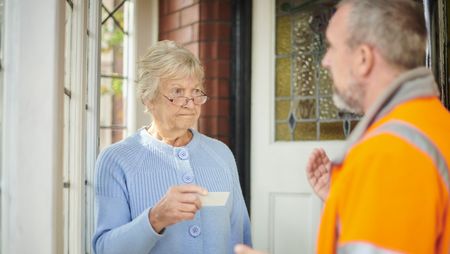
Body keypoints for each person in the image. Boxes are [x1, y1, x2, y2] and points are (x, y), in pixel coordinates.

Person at [235, 0, 450, 253]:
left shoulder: (386, 155)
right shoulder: (434, 123)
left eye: (332, 47)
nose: (325, 61)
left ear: (363, 59)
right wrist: (346, 197)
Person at [92, 40, 252, 254]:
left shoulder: (221, 154)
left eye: (196, 91)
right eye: (177, 91)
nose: (190, 102)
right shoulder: (116, 160)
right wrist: (155, 218)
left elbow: (240, 237)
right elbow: (104, 249)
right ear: (148, 98)